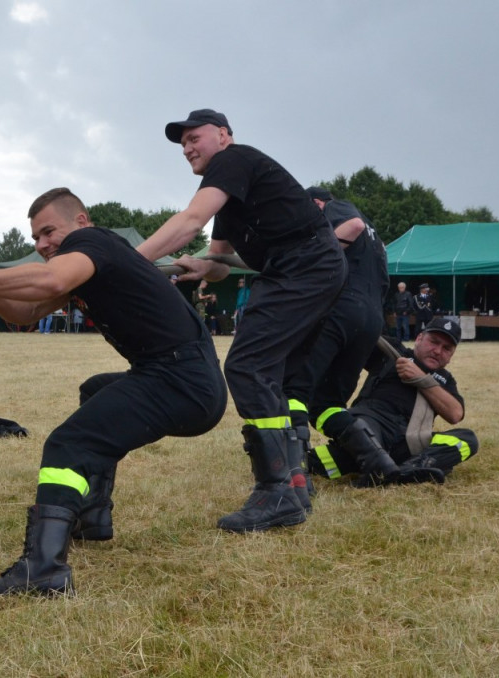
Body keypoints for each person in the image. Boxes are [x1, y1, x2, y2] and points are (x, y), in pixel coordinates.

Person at [0, 187, 227, 596]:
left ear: (81, 222)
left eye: (49, 231)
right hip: (180, 378)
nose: (41, 244)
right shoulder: (87, 265)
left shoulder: (93, 243)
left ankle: (43, 570)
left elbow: (51, 278)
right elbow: (28, 313)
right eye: (35, 237)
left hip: (181, 379)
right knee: (96, 391)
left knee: (69, 443)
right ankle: (93, 514)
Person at [136, 109, 347, 533]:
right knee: (266, 371)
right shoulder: (229, 193)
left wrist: (126, 263)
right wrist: (200, 267)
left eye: (195, 138)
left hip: (305, 264)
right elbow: (219, 264)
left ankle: (279, 492)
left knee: (247, 367)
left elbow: (190, 221)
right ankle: (295, 483)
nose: (188, 148)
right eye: (183, 144)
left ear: (224, 136)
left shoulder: (234, 161)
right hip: (298, 269)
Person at [281, 186, 392, 503]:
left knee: (294, 390)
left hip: (338, 310)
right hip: (370, 320)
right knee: (327, 403)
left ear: (316, 203)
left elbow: (351, 227)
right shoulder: (378, 241)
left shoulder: (338, 208)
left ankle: (295, 474)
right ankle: (376, 460)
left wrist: (314, 255)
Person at [308, 318, 478, 485]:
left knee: (467, 440)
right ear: (419, 338)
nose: (438, 351)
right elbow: (358, 336)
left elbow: (455, 414)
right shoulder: (393, 352)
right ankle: (381, 464)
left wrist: (421, 378)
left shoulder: (445, 380)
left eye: (446, 348)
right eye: (434, 342)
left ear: (451, 356)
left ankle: (410, 468)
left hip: (408, 442)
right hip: (370, 424)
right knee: (322, 458)